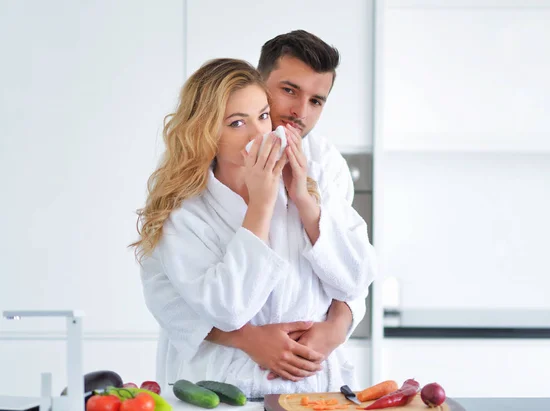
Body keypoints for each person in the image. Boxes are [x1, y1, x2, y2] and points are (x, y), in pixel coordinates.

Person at [133, 33, 376, 397]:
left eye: (316, 101)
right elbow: (166, 294)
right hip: (221, 384)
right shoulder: (186, 197)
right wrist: (246, 339)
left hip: (314, 386)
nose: (300, 112)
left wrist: (338, 326)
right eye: (289, 91)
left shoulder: (322, 167)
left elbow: (353, 273)